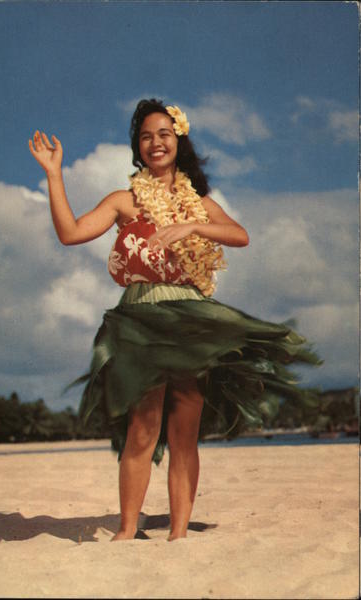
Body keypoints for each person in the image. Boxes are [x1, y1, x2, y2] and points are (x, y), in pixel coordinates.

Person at [29, 98, 321, 542]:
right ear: (138, 147)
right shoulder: (123, 201)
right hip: (140, 319)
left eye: (164, 133)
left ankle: (178, 535)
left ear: (178, 140)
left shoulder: (197, 203)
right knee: (143, 428)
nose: (155, 142)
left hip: (189, 321)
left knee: (184, 431)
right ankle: (128, 532)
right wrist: (54, 174)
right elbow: (71, 233)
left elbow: (239, 235)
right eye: (146, 136)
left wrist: (192, 226)